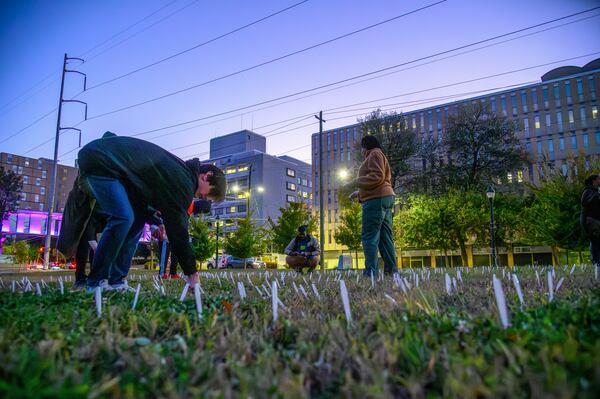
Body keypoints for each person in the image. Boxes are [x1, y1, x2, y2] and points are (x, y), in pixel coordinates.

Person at [59, 132, 226, 292]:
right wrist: (192, 273)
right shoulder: (182, 181)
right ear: (206, 175)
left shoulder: (178, 175)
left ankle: (117, 280)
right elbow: (178, 232)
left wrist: (156, 224)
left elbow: (144, 203)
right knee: (123, 217)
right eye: (209, 193)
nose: (205, 197)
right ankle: (95, 281)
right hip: (100, 162)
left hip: (112, 169)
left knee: (135, 224)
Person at [345, 135, 398, 277]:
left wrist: (354, 182)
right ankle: (392, 271)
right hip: (385, 197)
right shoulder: (380, 155)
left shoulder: (374, 153)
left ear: (365, 146)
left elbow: (376, 176)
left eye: (362, 148)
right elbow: (379, 180)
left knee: (370, 236)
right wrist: (358, 192)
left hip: (376, 200)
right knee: (385, 237)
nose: (361, 151)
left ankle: (370, 272)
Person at [580, 174, 600, 265]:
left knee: (596, 240)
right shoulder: (588, 191)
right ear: (594, 181)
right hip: (590, 219)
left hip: (594, 219)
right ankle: (596, 262)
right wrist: (596, 197)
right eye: (599, 179)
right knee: (595, 240)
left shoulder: (594, 191)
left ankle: (596, 261)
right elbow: (584, 202)